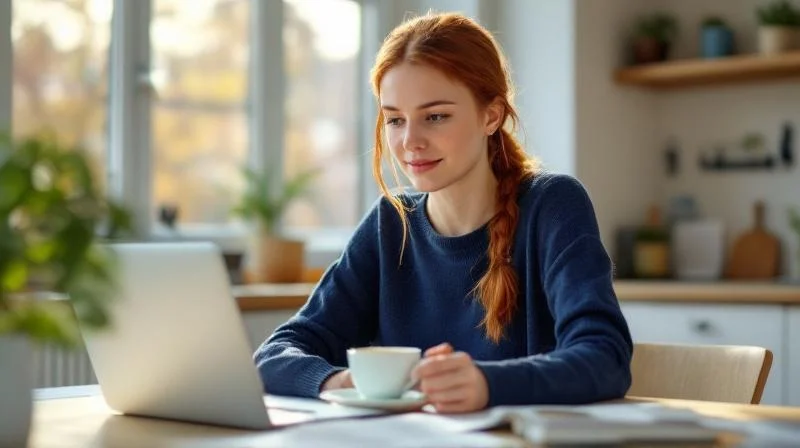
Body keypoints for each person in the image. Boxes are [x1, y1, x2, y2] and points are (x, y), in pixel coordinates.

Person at [254, 11, 632, 414]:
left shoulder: (553, 205)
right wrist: (341, 382)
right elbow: (273, 355)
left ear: (491, 115)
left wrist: (487, 384)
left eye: (435, 116)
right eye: (395, 120)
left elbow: (604, 356)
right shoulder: (390, 223)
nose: (410, 141)